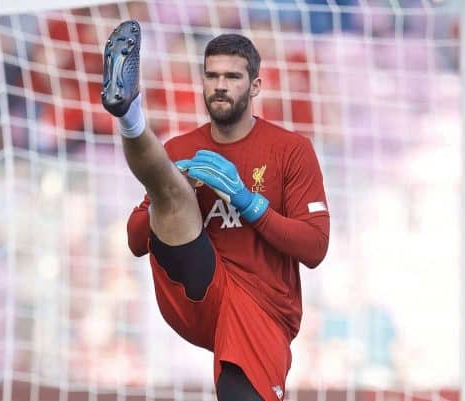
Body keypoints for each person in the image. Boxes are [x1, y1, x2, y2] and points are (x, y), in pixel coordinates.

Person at [102, 20, 330, 401]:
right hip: (198, 287)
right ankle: (128, 113)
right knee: (171, 189)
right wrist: (177, 190)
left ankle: (133, 120)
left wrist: (246, 200)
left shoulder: (291, 149)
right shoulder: (179, 149)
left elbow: (315, 247)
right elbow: (136, 240)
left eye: (232, 76)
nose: (220, 85)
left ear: (255, 86)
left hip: (262, 305)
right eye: (211, 76)